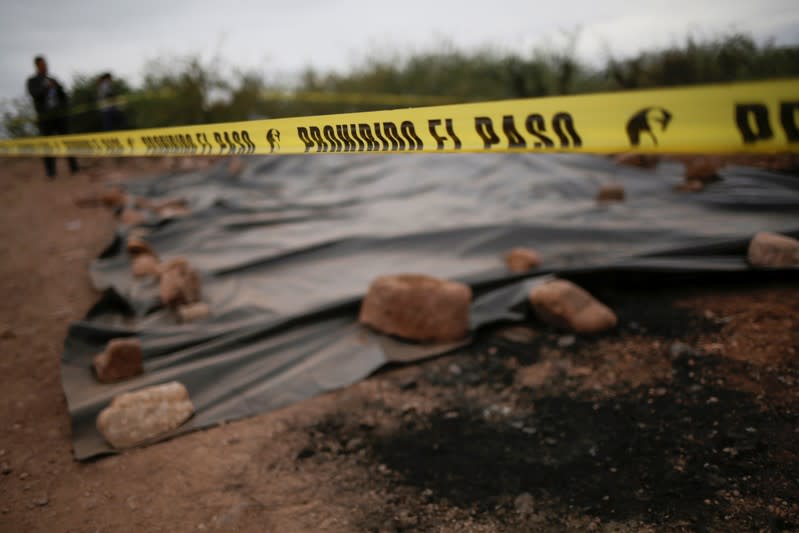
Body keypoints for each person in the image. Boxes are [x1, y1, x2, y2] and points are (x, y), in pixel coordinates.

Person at [26, 55, 79, 178]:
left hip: (59, 116)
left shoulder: (53, 79)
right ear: (37, 66)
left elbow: (63, 95)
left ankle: (74, 167)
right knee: (47, 144)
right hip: (45, 118)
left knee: (67, 141)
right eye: (42, 65)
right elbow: (34, 94)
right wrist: (46, 87)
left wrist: (64, 106)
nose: (45, 67)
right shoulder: (32, 81)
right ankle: (51, 172)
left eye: (46, 64)